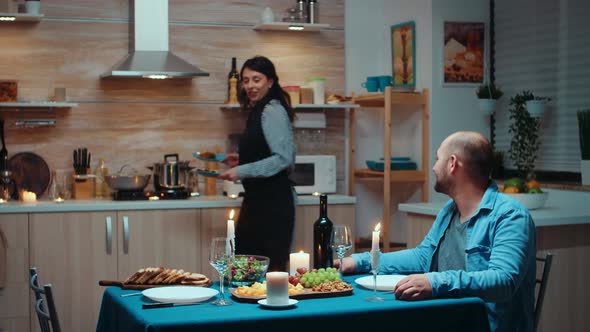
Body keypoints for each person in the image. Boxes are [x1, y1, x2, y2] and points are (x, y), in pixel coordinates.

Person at [338, 131, 536, 332]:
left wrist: (435, 282)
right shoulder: (450, 211)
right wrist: (359, 262)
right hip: (446, 320)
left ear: (452, 163)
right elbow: (422, 258)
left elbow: (503, 280)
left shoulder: (510, 215)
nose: (433, 167)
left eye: (437, 159)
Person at [218, 55, 296, 271]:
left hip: (273, 206)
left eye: (256, 79)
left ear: (270, 82)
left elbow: (283, 158)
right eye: (245, 80)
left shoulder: (272, 109)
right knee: (247, 270)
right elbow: (265, 151)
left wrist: (242, 169)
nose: (250, 86)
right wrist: (241, 160)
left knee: (262, 272)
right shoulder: (258, 109)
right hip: (258, 202)